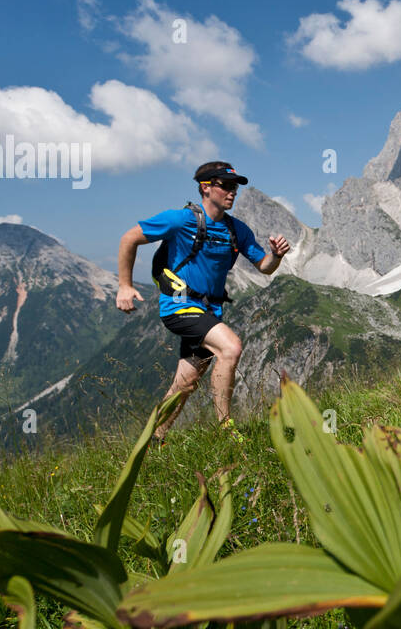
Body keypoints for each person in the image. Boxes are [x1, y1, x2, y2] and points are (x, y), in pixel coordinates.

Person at [115, 161, 291, 442]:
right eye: (226, 186)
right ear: (205, 188)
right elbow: (129, 238)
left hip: (210, 311)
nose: (233, 192)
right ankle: (226, 430)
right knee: (230, 347)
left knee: (185, 384)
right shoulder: (180, 220)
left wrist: (277, 255)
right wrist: (125, 285)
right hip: (179, 306)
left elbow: (265, 267)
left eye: (235, 187)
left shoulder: (238, 230)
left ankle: (153, 442)